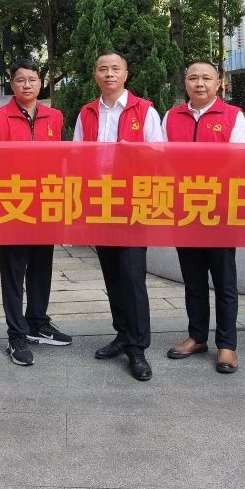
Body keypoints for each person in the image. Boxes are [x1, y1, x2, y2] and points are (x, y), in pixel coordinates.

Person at [73, 50, 164, 382]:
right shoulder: (87, 112)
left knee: (132, 275)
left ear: (126, 74)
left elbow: (160, 154)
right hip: (100, 202)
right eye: (103, 69)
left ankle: (137, 347)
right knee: (112, 273)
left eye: (115, 69)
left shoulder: (145, 110)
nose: (109, 74)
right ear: (95, 75)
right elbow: (77, 155)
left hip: (132, 203)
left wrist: (134, 153)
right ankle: (122, 334)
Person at [0, 58, 71, 367]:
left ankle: (37, 322)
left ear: (40, 83)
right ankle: (16, 334)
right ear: (12, 84)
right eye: (21, 80)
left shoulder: (54, 116)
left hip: (46, 202)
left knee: (41, 267)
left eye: (32, 79)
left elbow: (65, 159)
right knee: (13, 271)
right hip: (13, 205)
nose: (27, 85)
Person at [161, 60, 245, 375]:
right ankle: (197, 336)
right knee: (193, 279)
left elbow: (240, 161)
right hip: (185, 211)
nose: (199, 83)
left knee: (224, 281)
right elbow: (161, 158)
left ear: (218, 83)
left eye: (206, 78)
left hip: (220, 210)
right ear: (185, 82)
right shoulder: (171, 117)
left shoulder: (233, 116)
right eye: (193, 77)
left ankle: (227, 344)